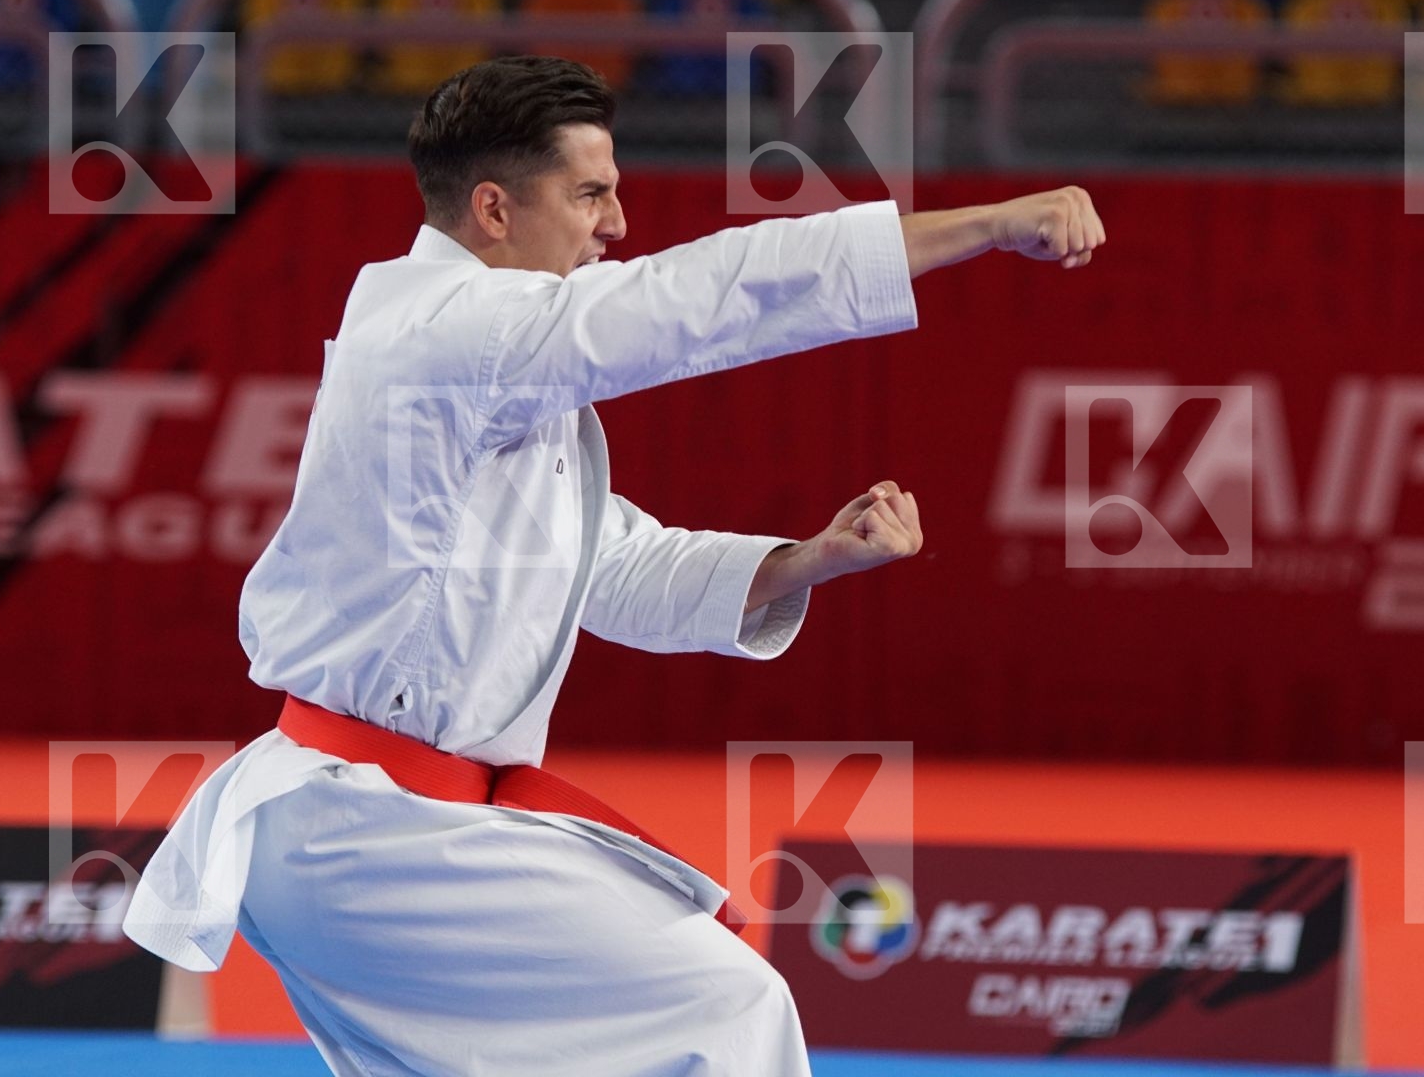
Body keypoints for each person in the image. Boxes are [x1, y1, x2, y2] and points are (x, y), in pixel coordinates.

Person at [124, 55, 1105, 1075]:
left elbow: (608, 564)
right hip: (370, 833)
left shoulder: (472, 355)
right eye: (591, 193)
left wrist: (807, 561)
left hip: (378, 833)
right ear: (495, 208)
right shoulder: (450, 331)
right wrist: (981, 227)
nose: (616, 225)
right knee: (728, 1008)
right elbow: (701, 298)